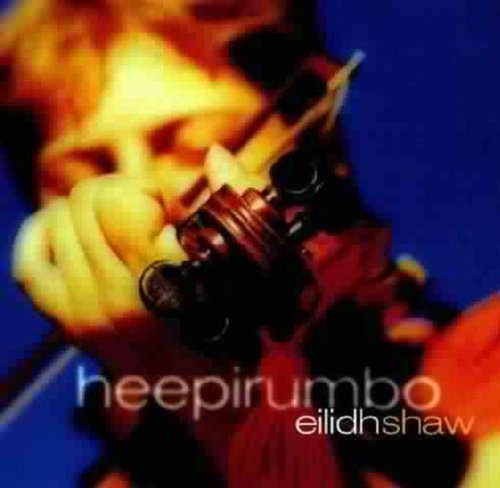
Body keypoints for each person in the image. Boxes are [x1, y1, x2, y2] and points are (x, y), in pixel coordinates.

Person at [0, 1, 477, 487]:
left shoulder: (481, 370)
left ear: (314, 142)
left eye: (197, 143)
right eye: (83, 178)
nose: (135, 200)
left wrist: (206, 391)